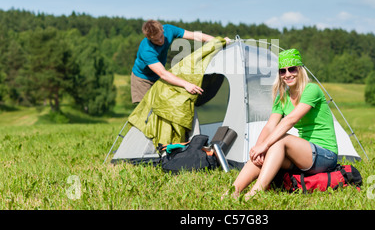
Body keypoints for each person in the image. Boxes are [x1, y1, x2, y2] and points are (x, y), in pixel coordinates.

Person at [226, 48, 338, 200]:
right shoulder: (282, 96)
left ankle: (255, 192)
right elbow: (270, 126)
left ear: (300, 70)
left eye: (292, 69)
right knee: (267, 149)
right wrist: (258, 151)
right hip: (303, 155)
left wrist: (265, 145)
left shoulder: (312, 90)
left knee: (281, 139)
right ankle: (233, 191)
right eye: (282, 71)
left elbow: (290, 120)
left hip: (325, 155)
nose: (287, 74)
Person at [131, 19, 230, 104]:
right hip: (142, 80)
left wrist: (218, 41)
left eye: (161, 37)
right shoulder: (147, 50)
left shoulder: (169, 30)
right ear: (149, 38)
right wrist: (186, 84)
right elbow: (163, 74)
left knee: (164, 107)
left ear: (162, 30)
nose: (160, 41)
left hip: (158, 77)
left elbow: (194, 35)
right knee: (146, 112)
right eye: (156, 40)